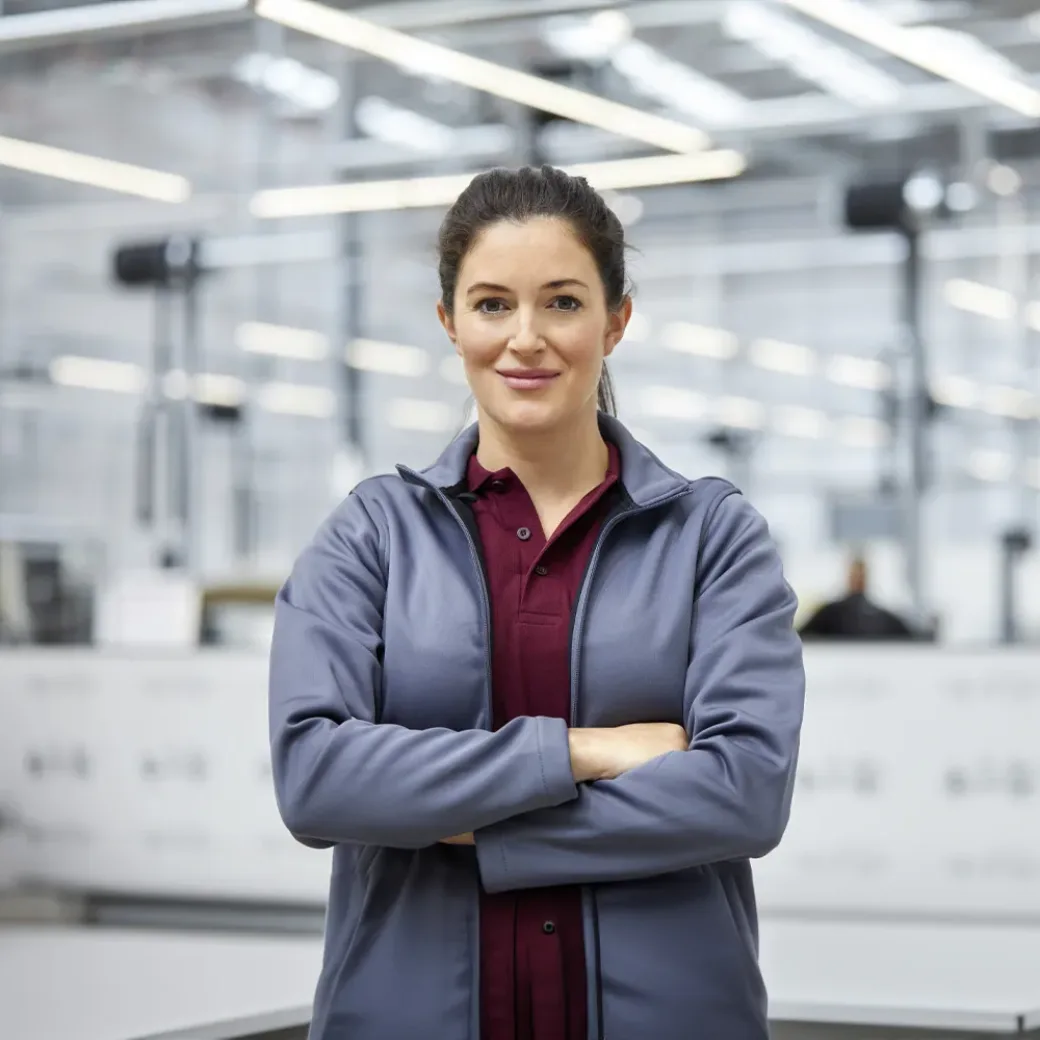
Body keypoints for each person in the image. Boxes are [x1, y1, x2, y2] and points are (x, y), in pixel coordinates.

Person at [268, 165, 806, 1040]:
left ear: (615, 321)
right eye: (490, 305)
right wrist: (586, 751)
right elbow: (318, 779)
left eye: (561, 302)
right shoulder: (372, 535)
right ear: (449, 324)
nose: (526, 338)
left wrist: (475, 830)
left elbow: (743, 793)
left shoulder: (713, 536)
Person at [798, 553, 916, 641]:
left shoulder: (881, 618)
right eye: (855, 575)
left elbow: (911, 635)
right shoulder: (830, 613)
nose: (858, 580)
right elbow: (802, 635)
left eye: (861, 576)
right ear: (848, 576)